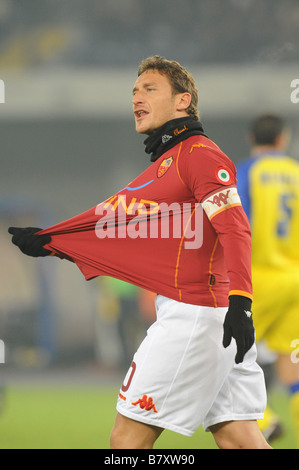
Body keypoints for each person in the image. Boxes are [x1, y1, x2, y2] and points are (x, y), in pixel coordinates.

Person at [8, 56, 271, 449]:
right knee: (239, 437)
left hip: (196, 316)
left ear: (183, 102)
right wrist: (53, 243)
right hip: (211, 317)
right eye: (134, 91)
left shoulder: (199, 154)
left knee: (126, 442)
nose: (136, 98)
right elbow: (122, 227)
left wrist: (242, 302)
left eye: (149, 89)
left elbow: (235, 228)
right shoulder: (169, 162)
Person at [237, 114, 299, 447]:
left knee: (226, 351)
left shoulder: (246, 173)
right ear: (283, 138)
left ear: (252, 137)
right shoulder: (297, 174)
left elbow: (236, 224)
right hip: (296, 279)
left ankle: (264, 418)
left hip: (260, 277)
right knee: (294, 367)